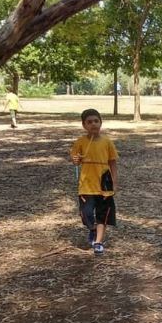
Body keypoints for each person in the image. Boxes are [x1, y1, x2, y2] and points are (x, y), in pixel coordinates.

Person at [70, 109, 118, 255]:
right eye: (89, 122)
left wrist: (115, 182)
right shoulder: (80, 142)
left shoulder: (107, 142)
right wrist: (76, 159)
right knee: (86, 213)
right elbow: (75, 160)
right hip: (86, 184)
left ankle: (98, 242)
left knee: (103, 214)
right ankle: (92, 228)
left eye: (96, 121)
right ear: (84, 125)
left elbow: (113, 163)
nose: (93, 124)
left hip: (104, 183)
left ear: (100, 123)